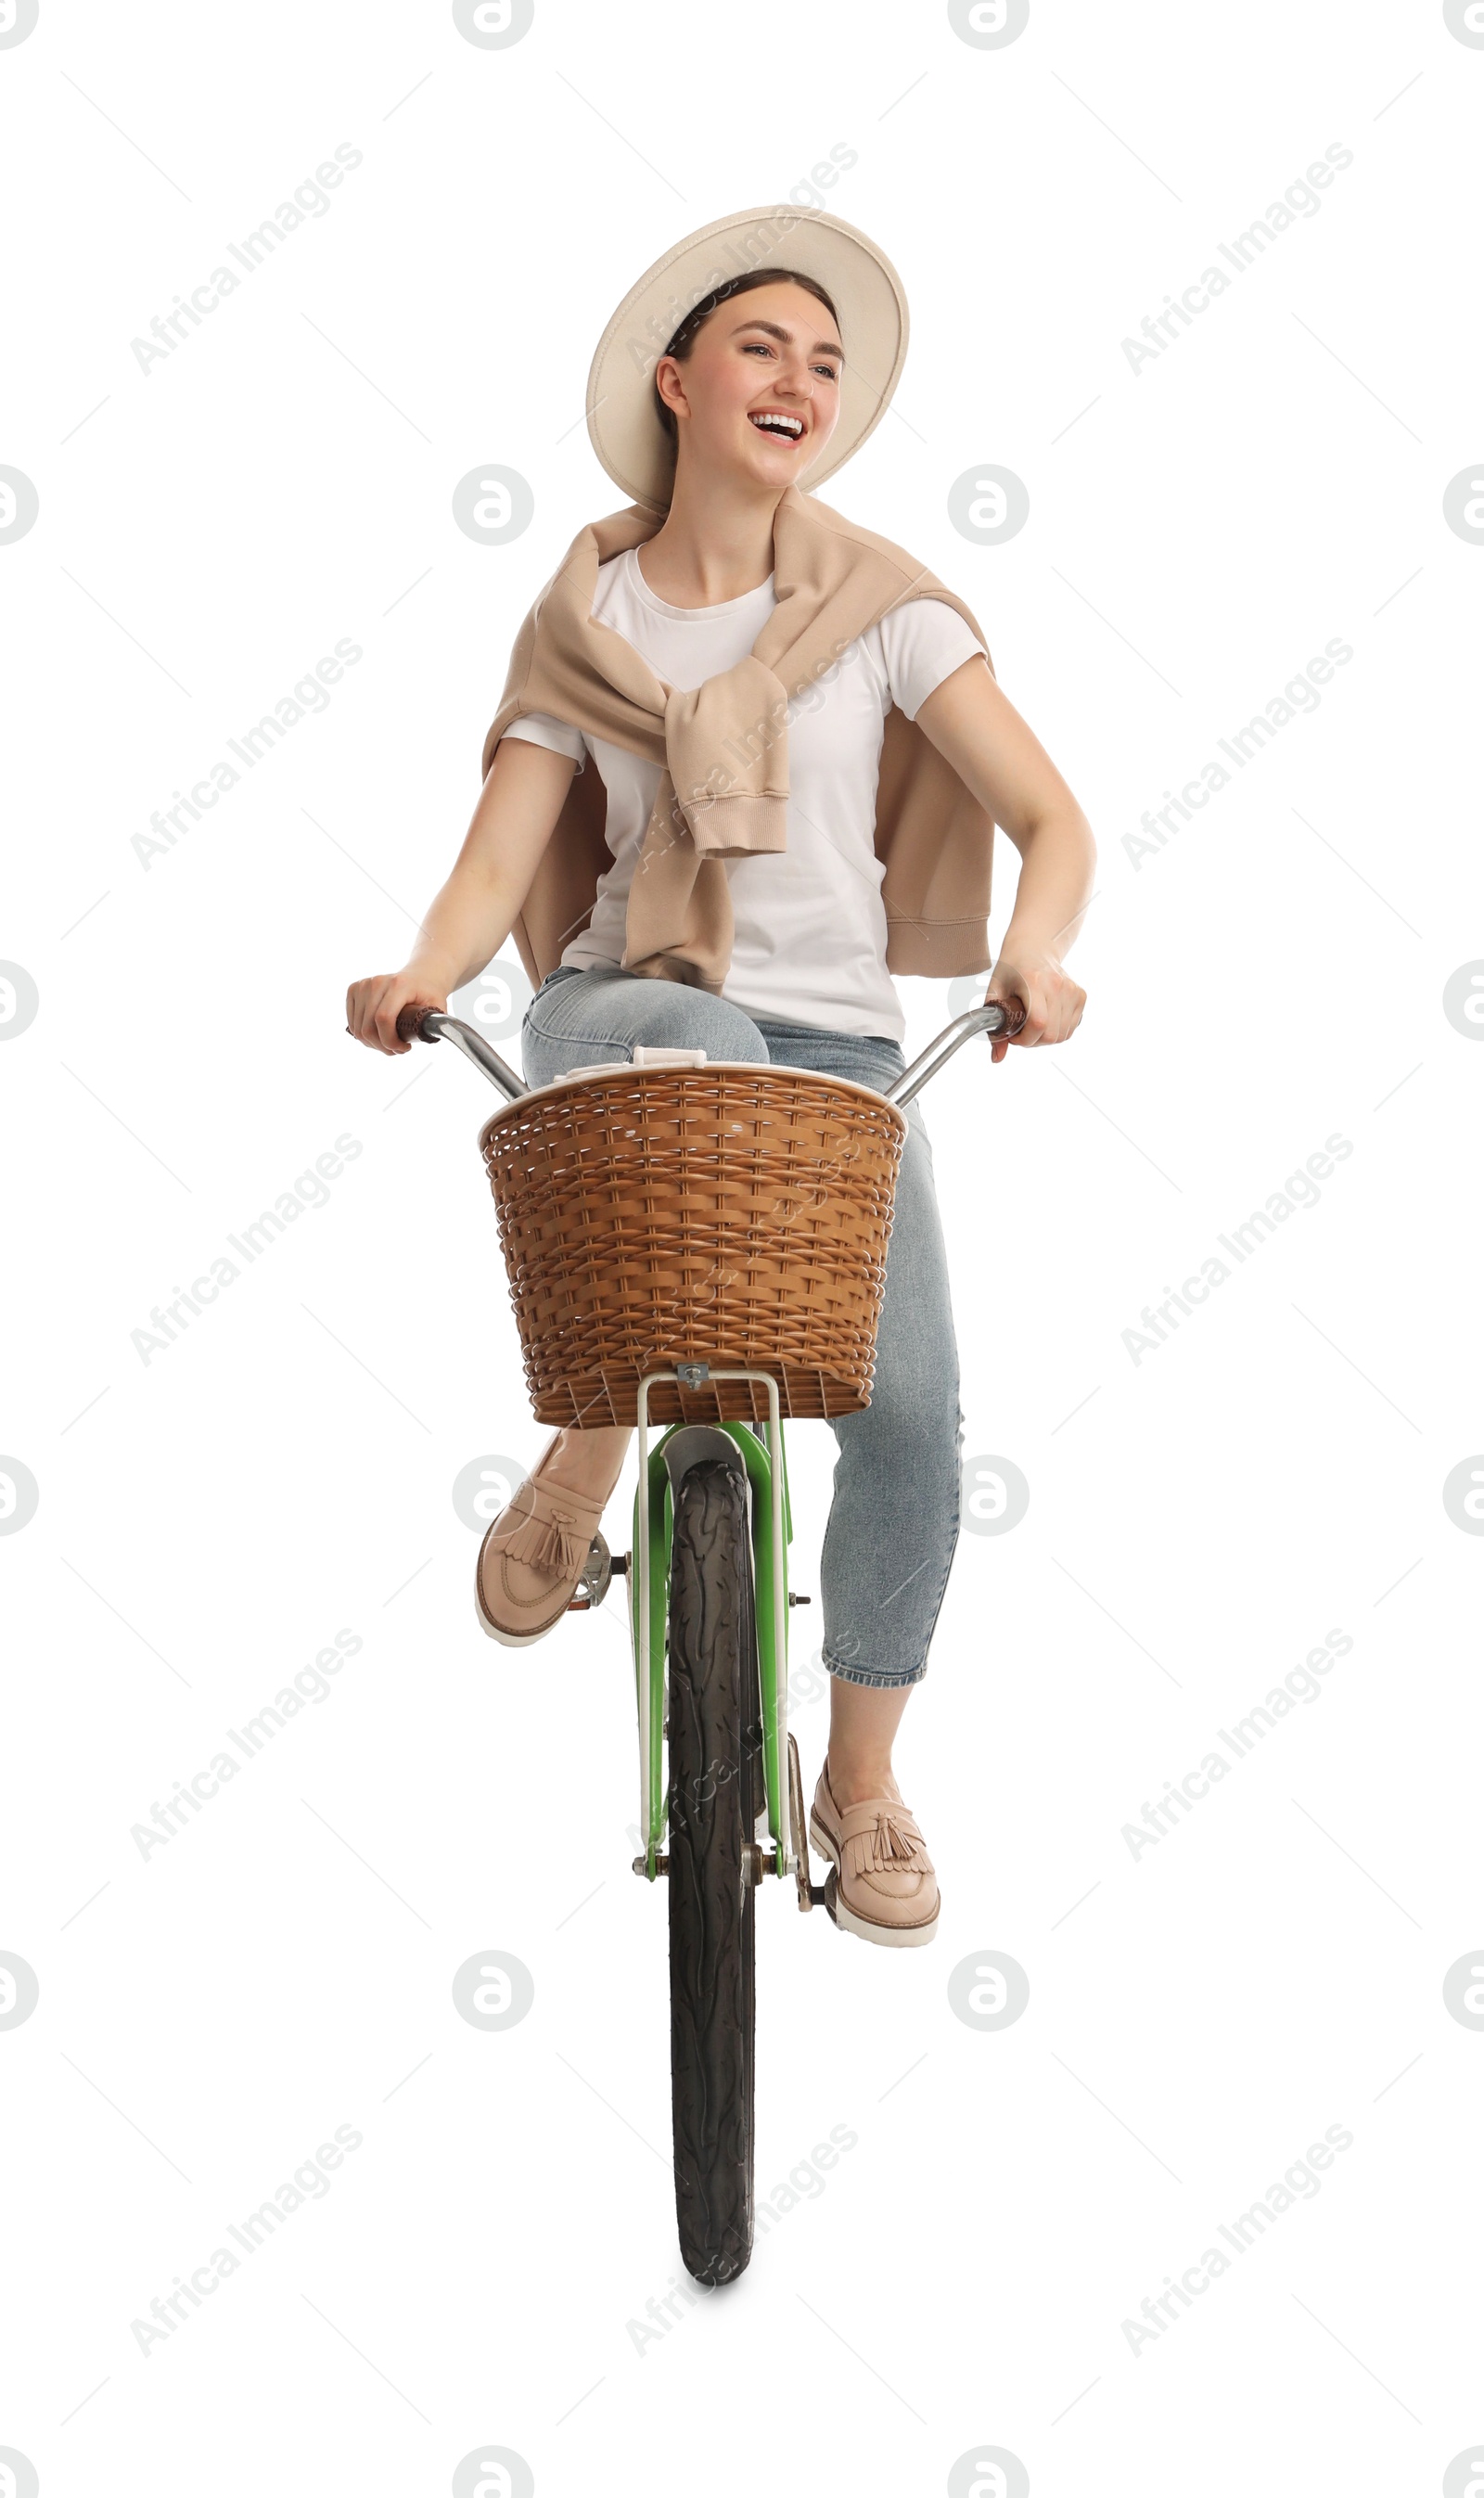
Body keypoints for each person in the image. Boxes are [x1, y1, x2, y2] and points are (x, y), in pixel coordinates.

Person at [348, 207, 1094, 1949]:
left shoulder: (885, 609)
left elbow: (1050, 818)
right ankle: (587, 1452)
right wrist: (427, 973)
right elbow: (498, 857)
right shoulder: (582, 623)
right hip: (626, 1012)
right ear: (677, 384)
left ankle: (862, 1777)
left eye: (827, 364)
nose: (802, 382)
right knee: (706, 1047)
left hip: (836, 1060)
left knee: (914, 1415)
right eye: (765, 346)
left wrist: (1033, 956)